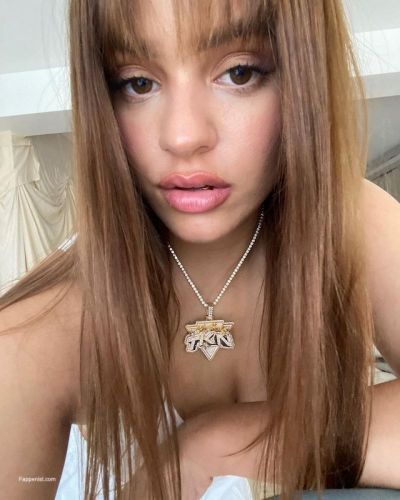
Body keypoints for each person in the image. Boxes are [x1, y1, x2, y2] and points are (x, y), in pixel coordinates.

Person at [1, 0, 400, 499]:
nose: (183, 137)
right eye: (138, 82)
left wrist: (209, 444)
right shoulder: (33, 335)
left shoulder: (348, 221)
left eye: (239, 72)